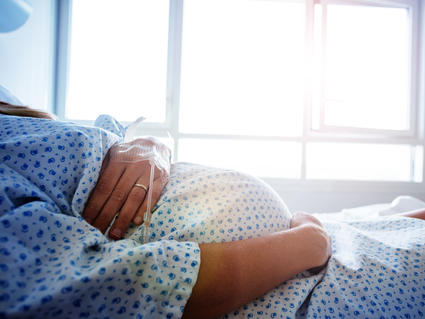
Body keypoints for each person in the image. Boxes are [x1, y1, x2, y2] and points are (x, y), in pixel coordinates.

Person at [1, 102, 425, 319]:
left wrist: (150, 147)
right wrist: (307, 245)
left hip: (304, 256)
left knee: (394, 224)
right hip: (297, 287)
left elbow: (98, 143)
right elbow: (117, 288)